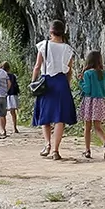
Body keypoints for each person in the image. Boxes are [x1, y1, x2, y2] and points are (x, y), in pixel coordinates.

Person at [30, 19, 77, 160]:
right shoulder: (68, 49)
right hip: (61, 82)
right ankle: (56, 150)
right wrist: (67, 84)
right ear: (63, 32)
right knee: (59, 117)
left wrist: (33, 82)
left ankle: (47, 144)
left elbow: (37, 66)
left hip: (47, 83)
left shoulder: (43, 46)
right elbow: (69, 71)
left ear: (51, 31)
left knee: (45, 115)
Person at [78, 49, 105, 160]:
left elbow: (87, 90)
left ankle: (87, 150)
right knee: (98, 127)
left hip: (89, 101)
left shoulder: (87, 73)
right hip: (100, 101)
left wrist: (81, 81)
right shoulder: (104, 74)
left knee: (87, 127)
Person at [3, 63, 22, 136]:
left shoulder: (2, 76)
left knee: (3, 113)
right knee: (13, 112)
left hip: (5, 95)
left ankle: (2, 128)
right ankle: (14, 127)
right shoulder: (12, 76)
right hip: (13, 94)